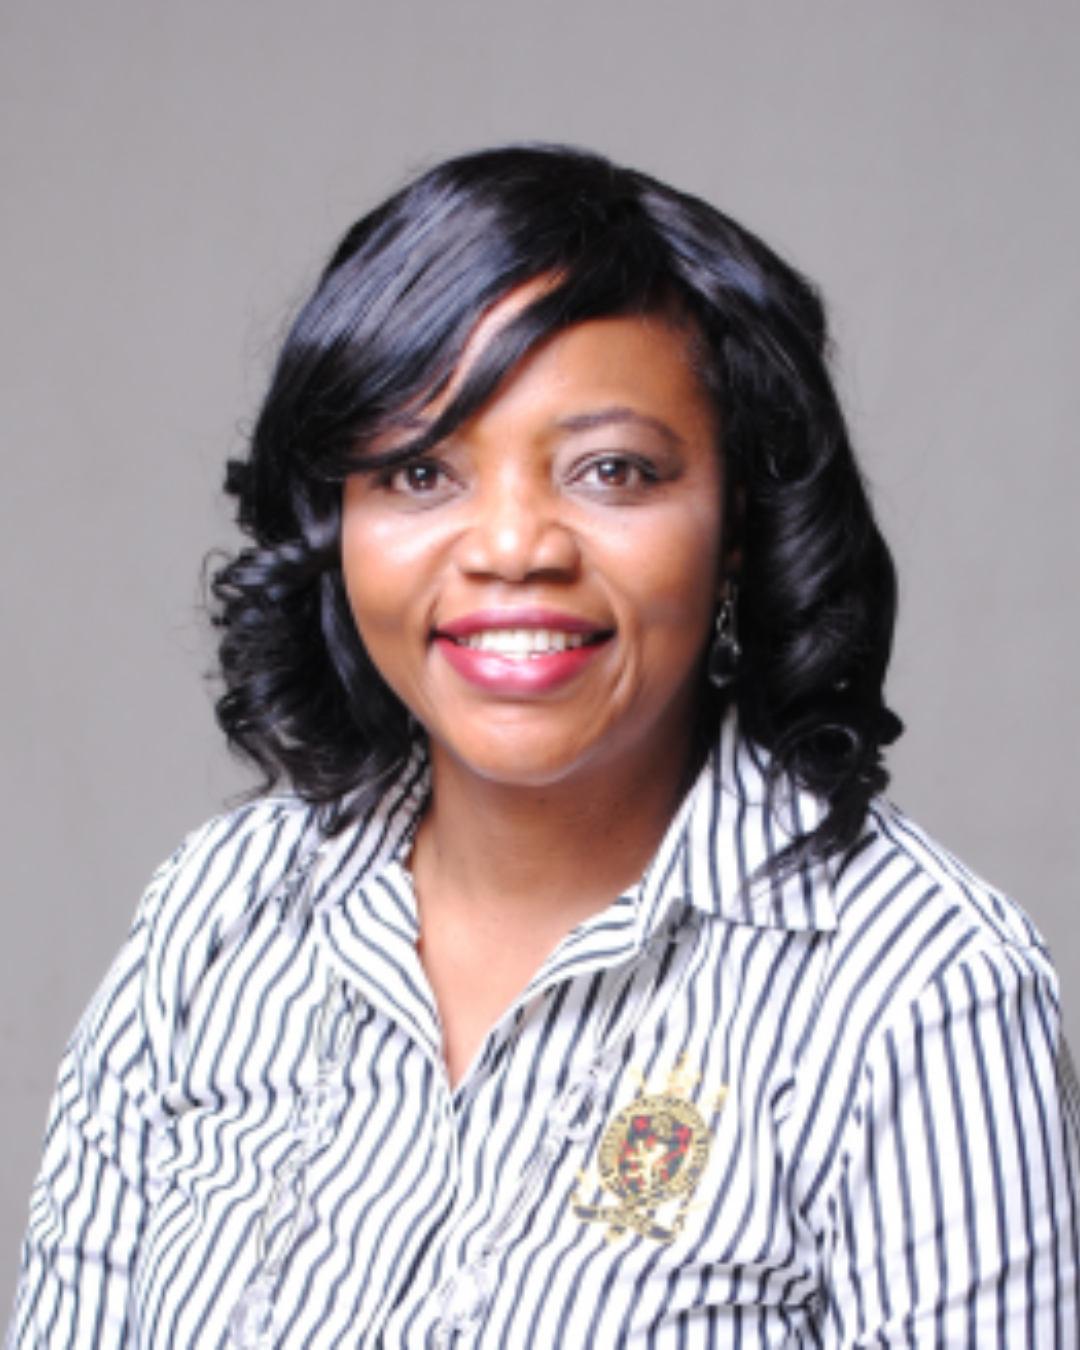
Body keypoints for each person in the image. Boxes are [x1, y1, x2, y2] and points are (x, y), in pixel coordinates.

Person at [8, 144, 1079, 1349]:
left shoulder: (920, 987)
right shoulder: (216, 915)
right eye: (421, 470)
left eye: (611, 471)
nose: (514, 547)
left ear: (737, 520)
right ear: (337, 521)